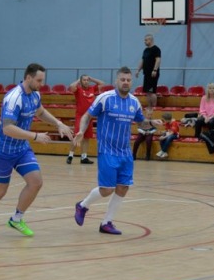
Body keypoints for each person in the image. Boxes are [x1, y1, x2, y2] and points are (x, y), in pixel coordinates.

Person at [0, 63, 73, 237]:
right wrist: (35, 136)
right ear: (28, 78)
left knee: (36, 182)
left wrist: (58, 123)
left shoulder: (35, 94)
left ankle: (17, 219)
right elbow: (7, 128)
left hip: (22, 149)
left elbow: (40, 112)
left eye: (43, 80)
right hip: (3, 150)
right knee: (0, 191)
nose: (42, 84)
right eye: (39, 80)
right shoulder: (14, 98)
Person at [73, 66, 160, 235]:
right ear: (116, 81)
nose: (125, 82)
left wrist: (151, 123)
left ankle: (106, 222)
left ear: (131, 82)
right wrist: (81, 131)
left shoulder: (134, 102)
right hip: (107, 150)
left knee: (123, 187)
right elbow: (87, 115)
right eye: (122, 79)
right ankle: (83, 206)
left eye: (128, 80)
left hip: (125, 152)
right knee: (107, 189)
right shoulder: (105, 98)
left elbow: (141, 122)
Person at [66, 74, 104, 164]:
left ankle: (84, 157)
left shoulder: (92, 88)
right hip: (80, 117)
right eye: (84, 80)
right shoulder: (78, 89)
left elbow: (102, 84)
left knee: (87, 138)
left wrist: (92, 78)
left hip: (89, 117)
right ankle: (70, 155)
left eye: (87, 80)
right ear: (81, 81)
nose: (86, 81)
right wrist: (78, 81)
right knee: (77, 136)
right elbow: (71, 86)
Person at [134, 33, 161, 111]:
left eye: (146, 40)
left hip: (153, 74)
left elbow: (158, 60)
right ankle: (149, 107)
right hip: (146, 74)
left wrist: (155, 70)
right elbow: (142, 61)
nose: (144, 41)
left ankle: (154, 108)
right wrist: (138, 70)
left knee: (152, 92)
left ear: (150, 40)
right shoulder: (145, 50)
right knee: (147, 92)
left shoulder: (156, 49)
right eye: (144, 40)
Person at [195, 83, 214, 154]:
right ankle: (197, 137)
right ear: (207, 90)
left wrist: (210, 118)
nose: (211, 90)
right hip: (205, 116)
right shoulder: (204, 98)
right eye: (210, 88)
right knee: (198, 121)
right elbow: (201, 110)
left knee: (212, 122)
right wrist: (205, 117)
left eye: (213, 88)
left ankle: (210, 137)